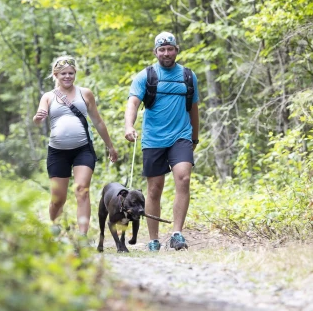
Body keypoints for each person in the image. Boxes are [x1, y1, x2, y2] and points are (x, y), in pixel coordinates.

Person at [124, 32, 200, 251]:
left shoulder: (188, 75)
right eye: (162, 50)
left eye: (170, 49)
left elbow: (194, 109)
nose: (166, 53)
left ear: (177, 50)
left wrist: (194, 137)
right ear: (155, 52)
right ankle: (154, 239)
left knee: (183, 178)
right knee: (155, 189)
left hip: (181, 136)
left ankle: (177, 234)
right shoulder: (145, 76)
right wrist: (129, 126)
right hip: (154, 139)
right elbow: (133, 103)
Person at [33, 55, 118, 237]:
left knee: (82, 190)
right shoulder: (48, 97)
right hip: (57, 152)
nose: (67, 76)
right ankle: (57, 232)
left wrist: (110, 146)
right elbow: (37, 121)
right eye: (63, 73)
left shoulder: (85, 93)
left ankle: (82, 237)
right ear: (56, 74)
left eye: (71, 73)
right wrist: (38, 117)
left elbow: (98, 121)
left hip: (83, 149)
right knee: (58, 199)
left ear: (75, 73)